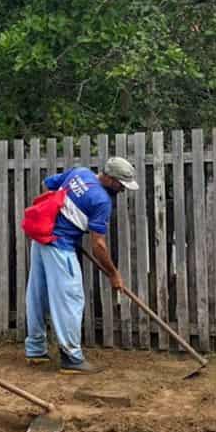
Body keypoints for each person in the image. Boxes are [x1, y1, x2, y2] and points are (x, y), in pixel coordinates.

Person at [24, 156, 137, 373]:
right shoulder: (102, 201)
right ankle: (72, 358)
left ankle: (35, 350)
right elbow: (98, 245)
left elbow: (49, 184)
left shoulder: (80, 172)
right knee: (71, 300)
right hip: (60, 247)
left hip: (42, 239)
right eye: (121, 185)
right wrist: (114, 274)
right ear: (110, 179)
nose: (123, 190)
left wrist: (63, 215)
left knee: (38, 295)